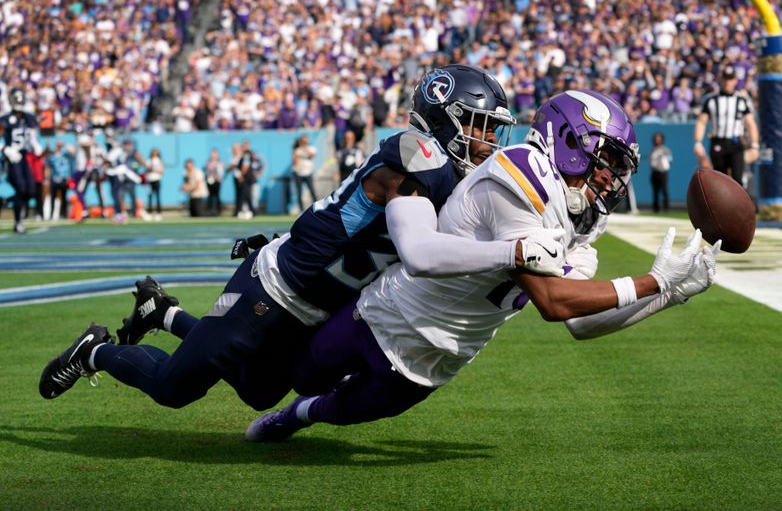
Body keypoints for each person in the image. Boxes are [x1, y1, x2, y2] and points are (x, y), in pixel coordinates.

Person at [36, 65, 547, 416]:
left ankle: (162, 314)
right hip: (278, 286)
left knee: (258, 392)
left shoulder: (448, 174)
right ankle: (94, 352)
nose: (488, 141)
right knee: (176, 389)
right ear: (446, 116)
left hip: (316, 299)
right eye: (481, 125)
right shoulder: (416, 155)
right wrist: (513, 251)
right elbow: (419, 249)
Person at [242, 90, 721, 442]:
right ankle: (219, 335)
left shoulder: (582, 222)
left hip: (444, 354)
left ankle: (299, 416)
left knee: (340, 410)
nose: (610, 175)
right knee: (298, 373)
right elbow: (554, 303)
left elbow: (581, 320)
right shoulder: (522, 174)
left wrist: (668, 294)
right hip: (385, 315)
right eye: (606, 158)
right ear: (571, 141)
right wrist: (652, 281)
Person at [693, 65, 760, 185]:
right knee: (720, 180)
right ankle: (722, 204)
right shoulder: (711, 100)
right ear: (720, 80)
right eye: (725, 79)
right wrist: (698, 142)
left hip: (735, 143)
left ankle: (739, 204)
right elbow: (701, 122)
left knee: (737, 179)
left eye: (730, 79)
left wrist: (755, 144)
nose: (727, 83)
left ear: (735, 81)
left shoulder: (741, 100)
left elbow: (751, 124)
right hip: (718, 142)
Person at [0, 88, 42, 233]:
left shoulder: (29, 117)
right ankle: (18, 222)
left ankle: (7, 202)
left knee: (31, 190)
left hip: (24, 157)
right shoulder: (5, 119)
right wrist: (6, 149)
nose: (19, 101)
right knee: (21, 188)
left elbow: (32, 134)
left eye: (20, 98)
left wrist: (36, 144)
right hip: (12, 158)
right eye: (16, 99)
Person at [47, 141, 73, 220]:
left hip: (63, 179)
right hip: (54, 179)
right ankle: (51, 214)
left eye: (60, 145)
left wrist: (64, 145)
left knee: (64, 197)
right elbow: (48, 166)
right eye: (58, 145)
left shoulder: (65, 154)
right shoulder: (52, 156)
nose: (59, 147)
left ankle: (64, 214)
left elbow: (72, 150)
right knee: (53, 198)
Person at [291, 134, 317, 211]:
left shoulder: (311, 148)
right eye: (302, 141)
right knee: (299, 193)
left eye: (305, 141)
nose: (304, 142)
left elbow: (311, 156)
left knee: (312, 191)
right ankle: (301, 209)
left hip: (308, 172)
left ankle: (316, 208)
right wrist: (295, 151)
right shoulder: (297, 150)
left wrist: (304, 148)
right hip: (298, 173)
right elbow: (295, 162)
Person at [649, 132, 672, 213]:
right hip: (655, 173)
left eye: (659, 139)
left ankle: (667, 208)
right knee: (655, 191)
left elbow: (670, 160)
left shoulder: (665, 150)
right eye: (656, 139)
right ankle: (656, 209)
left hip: (663, 173)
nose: (657, 140)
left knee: (665, 190)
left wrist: (665, 166)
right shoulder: (653, 150)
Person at [204, 148, 225, 216]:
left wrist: (219, 178)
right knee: (210, 196)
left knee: (217, 196)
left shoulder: (220, 162)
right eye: (213, 154)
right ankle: (209, 210)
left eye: (215, 154)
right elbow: (206, 171)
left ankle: (218, 211)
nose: (213, 155)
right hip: (210, 181)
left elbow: (222, 171)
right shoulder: (208, 162)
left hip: (217, 181)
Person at [145, 148, 164, 219]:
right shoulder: (148, 160)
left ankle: (159, 213)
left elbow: (162, 171)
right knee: (150, 197)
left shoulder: (160, 161)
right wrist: (149, 169)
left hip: (157, 180)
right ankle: (149, 212)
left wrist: (155, 170)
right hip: (150, 180)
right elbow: (146, 169)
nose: (154, 153)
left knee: (158, 197)